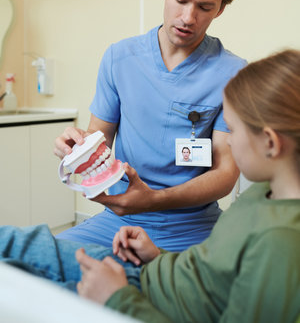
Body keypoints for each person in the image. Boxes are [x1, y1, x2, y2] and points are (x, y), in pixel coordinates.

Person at [1, 49, 299, 322]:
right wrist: (158, 256)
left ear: (271, 143)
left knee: (23, 288)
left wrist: (117, 299)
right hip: (149, 271)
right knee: (15, 243)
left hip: (140, 298)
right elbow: (212, 270)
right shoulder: (263, 193)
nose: (227, 140)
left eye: (232, 130)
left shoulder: (280, 242)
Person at [54, 0, 247, 251]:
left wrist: (154, 200)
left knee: (192, 291)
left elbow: (225, 174)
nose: (187, 17)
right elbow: (97, 140)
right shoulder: (120, 58)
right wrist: (77, 146)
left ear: (221, 9)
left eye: (204, 7)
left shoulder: (233, 74)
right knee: (35, 261)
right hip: (118, 221)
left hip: (193, 227)